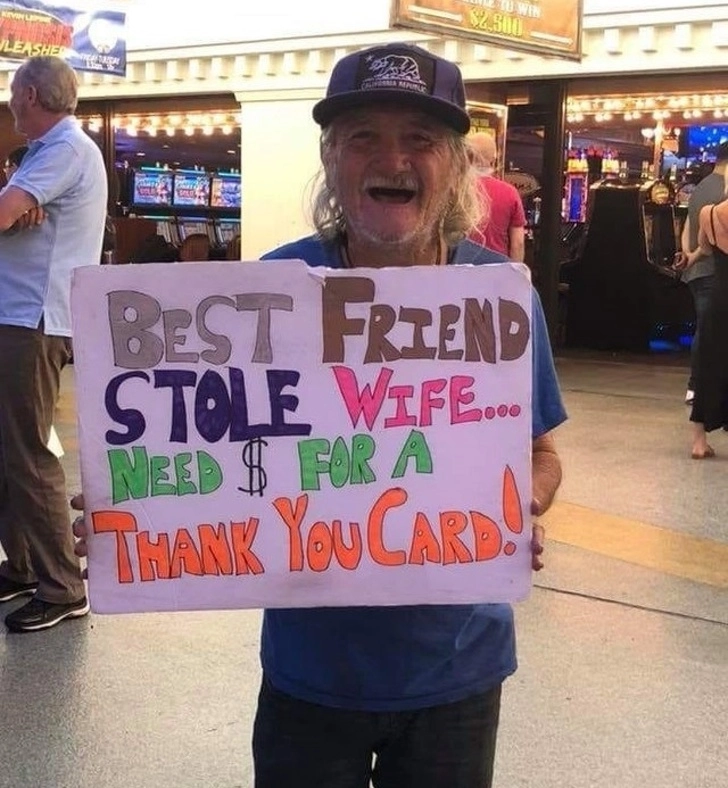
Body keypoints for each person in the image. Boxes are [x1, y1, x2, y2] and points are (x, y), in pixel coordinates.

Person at [73, 42, 565, 786]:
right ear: (332, 160)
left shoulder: (499, 297)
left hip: (459, 667)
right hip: (311, 673)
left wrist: (521, 503)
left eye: (420, 139)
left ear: (456, 164)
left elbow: (542, 454)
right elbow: (219, 451)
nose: (392, 159)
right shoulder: (267, 291)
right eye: (363, 137)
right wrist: (135, 516)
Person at [0, 56, 107, 632]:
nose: (10, 103)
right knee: (9, 448)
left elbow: (3, 214)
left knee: (27, 453)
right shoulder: (47, 153)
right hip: (22, 318)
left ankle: (63, 586)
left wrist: (11, 205)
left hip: (32, 320)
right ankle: (21, 566)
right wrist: (15, 204)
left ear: (32, 95)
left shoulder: (64, 148)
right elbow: (11, 212)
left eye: (14, 93)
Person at [679, 173, 728, 458]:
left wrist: (689, 258)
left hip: (719, 299)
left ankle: (699, 442)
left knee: (708, 364)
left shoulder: (709, 214)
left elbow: (705, 249)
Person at [468, 131, 526, 261]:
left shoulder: (453, 191)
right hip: (498, 268)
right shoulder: (510, 193)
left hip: (459, 269)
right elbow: (518, 244)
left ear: (468, 157)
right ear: (493, 160)